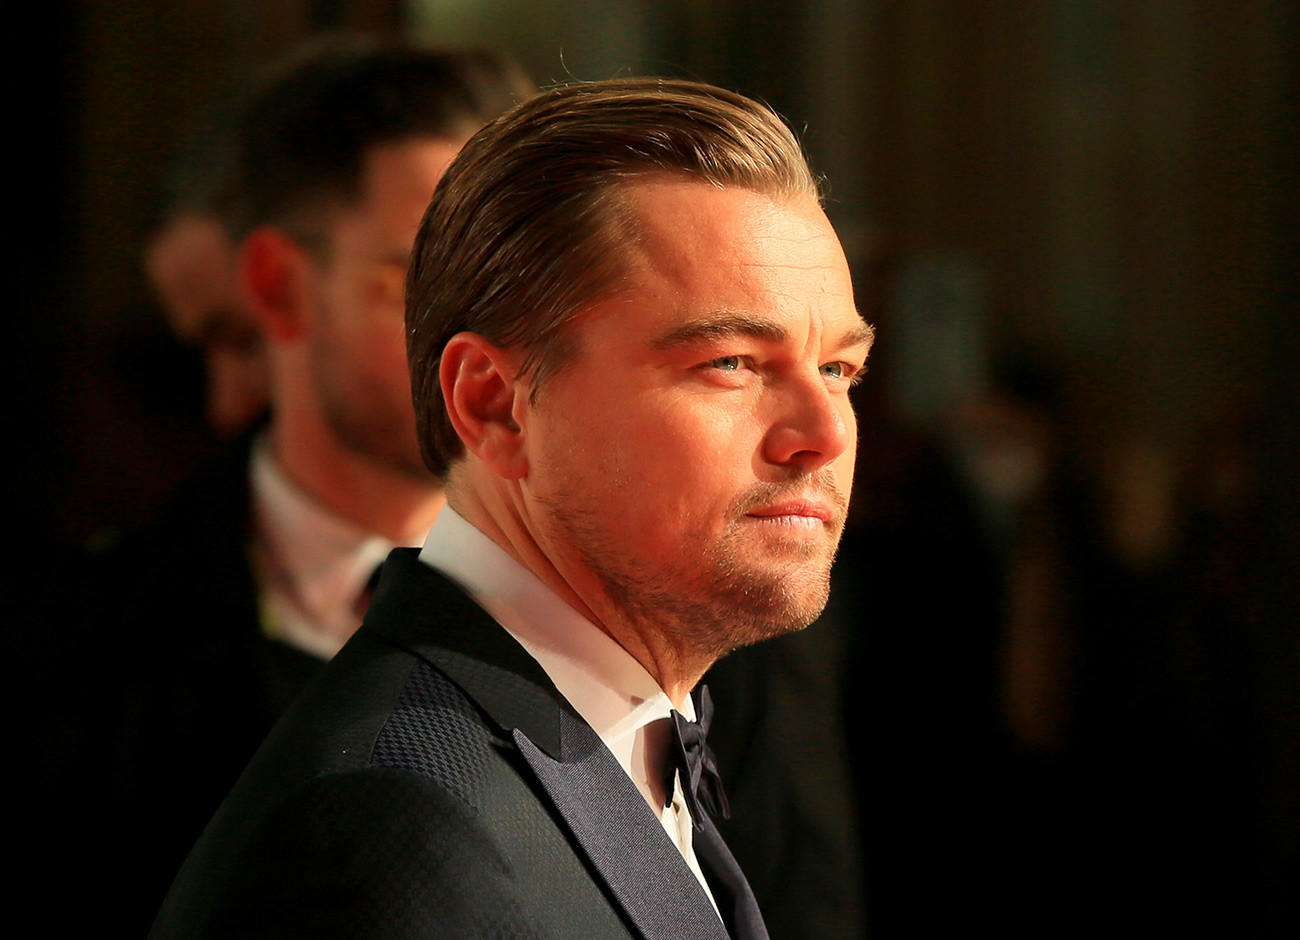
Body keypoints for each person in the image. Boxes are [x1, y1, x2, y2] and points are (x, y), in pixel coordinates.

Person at [151, 76, 874, 940]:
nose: (823, 432)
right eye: (730, 362)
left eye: (838, 369)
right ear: (494, 405)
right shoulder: (391, 827)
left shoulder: (625, 732)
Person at [66, 36, 535, 935]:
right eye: (420, 278)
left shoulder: (668, 616)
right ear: (281, 290)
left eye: (520, 281)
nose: (488, 343)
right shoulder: (75, 653)